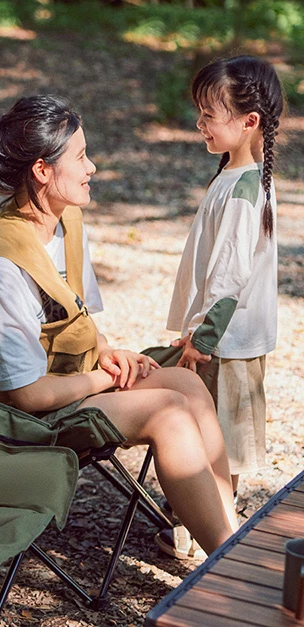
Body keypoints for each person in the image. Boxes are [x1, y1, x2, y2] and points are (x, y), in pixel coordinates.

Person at [0, 94, 238, 558]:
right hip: (11, 418)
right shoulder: (1, 269)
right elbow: (26, 395)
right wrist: (103, 378)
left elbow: (76, 314)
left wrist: (105, 351)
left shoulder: (64, 223)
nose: (93, 167)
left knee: (187, 384)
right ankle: (232, 569)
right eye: (80, 157)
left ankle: (227, 539)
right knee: (169, 412)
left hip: (67, 381)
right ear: (42, 170)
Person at [166, 56, 283, 503]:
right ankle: (206, 520)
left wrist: (205, 337)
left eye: (209, 115)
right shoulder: (236, 177)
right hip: (219, 337)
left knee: (218, 443)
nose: (200, 123)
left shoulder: (244, 189)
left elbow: (232, 275)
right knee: (211, 435)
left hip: (226, 343)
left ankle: (211, 528)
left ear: (249, 121)